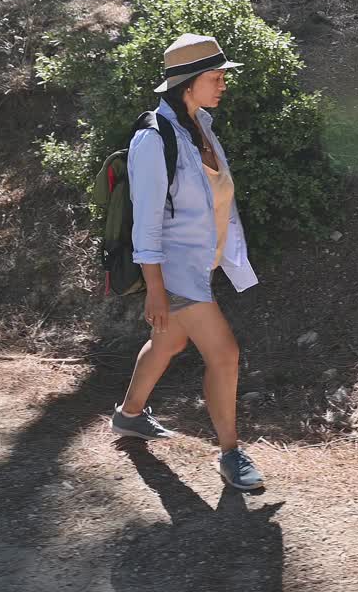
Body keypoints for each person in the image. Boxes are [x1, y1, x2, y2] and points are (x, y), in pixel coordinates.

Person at [108, 33, 264, 491]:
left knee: (168, 344)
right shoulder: (153, 141)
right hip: (174, 272)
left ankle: (129, 416)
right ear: (188, 83)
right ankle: (231, 453)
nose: (222, 85)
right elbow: (147, 224)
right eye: (215, 77)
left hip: (199, 265)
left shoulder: (202, 127)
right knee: (225, 355)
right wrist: (155, 288)